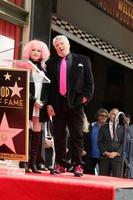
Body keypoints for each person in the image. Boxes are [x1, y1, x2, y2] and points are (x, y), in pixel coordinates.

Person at [46, 35, 94, 176]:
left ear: (68, 45)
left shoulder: (83, 60)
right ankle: (60, 164)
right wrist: (49, 104)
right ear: (55, 49)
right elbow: (49, 86)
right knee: (59, 136)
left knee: (77, 135)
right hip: (57, 104)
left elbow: (89, 83)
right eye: (57, 46)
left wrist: (84, 99)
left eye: (62, 44)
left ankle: (78, 164)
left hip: (76, 104)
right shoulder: (51, 63)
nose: (60, 47)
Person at [22, 39, 50, 173]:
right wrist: (34, 101)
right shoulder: (25, 66)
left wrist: (43, 102)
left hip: (40, 105)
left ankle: (33, 163)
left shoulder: (44, 68)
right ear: (29, 51)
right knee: (27, 133)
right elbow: (22, 86)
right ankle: (25, 162)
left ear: (42, 53)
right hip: (29, 103)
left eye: (38, 51)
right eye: (33, 50)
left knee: (37, 135)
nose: (35, 52)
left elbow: (47, 89)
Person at [98, 108, 125, 177]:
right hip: (105, 158)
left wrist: (116, 153)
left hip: (117, 158)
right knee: (103, 179)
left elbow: (124, 143)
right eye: (113, 114)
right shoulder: (103, 127)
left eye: (117, 115)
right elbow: (99, 142)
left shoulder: (123, 128)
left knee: (117, 180)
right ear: (109, 115)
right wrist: (105, 152)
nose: (115, 116)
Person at [85, 108, 109, 174]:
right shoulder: (91, 126)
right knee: (88, 174)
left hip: (104, 156)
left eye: (106, 116)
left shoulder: (109, 128)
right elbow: (85, 139)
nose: (104, 117)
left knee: (103, 175)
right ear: (98, 116)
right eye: (102, 115)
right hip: (91, 154)